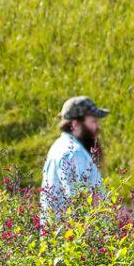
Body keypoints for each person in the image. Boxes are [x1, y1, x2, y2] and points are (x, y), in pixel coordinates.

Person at [40, 96, 110, 228]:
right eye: (93, 121)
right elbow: (81, 202)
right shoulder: (74, 153)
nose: (97, 127)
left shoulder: (60, 146)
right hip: (74, 238)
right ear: (75, 124)